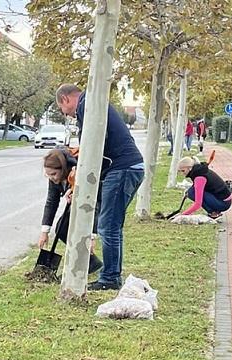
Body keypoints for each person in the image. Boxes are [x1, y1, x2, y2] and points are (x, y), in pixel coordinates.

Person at [55, 84, 145, 291]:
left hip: (122, 169)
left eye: (63, 109)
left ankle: (111, 278)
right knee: (112, 225)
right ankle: (112, 274)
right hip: (129, 167)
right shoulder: (93, 102)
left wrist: (80, 170)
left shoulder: (87, 106)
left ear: (65, 99)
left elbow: (94, 143)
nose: (65, 114)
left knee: (108, 226)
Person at [28, 149, 102, 281]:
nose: (52, 178)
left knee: (66, 227)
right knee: (61, 229)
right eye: (48, 175)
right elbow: (51, 202)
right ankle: (89, 261)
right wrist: (44, 232)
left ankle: (86, 262)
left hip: (95, 202)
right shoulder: (54, 180)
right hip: (76, 203)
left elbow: (94, 204)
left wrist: (92, 236)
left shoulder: (79, 172)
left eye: (54, 174)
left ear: (63, 169)